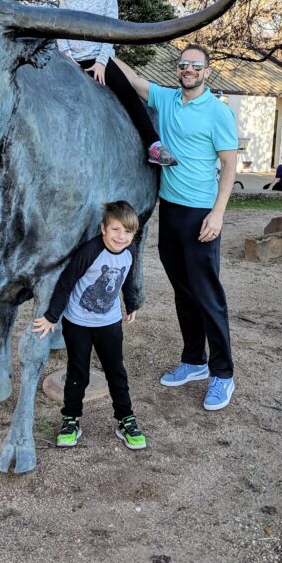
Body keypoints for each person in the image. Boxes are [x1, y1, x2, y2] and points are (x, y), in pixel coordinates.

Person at [116, 44, 239, 411]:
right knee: (183, 292)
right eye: (184, 64)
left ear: (207, 72)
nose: (188, 69)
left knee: (207, 295)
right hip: (170, 210)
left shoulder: (218, 112)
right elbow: (134, 81)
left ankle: (223, 373)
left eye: (195, 65)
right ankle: (194, 361)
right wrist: (104, 52)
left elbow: (229, 168)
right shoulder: (168, 99)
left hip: (200, 214)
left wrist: (217, 215)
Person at [32, 200, 147, 450]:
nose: (121, 236)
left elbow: (128, 278)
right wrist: (52, 317)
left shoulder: (131, 250)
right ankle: (71, 419)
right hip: (79, 323)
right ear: (103, 228)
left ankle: (125, 419)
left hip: (109, 322)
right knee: (77, 373)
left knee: (116, 371)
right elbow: (66, 282)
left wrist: (132, 302)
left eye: (128, 232)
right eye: (116, 229)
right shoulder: (91, 251)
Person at [57, 0, 176, 167]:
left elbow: (110, 31)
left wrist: (102, 63)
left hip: (98, 58)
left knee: (128, 94)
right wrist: (67, 57)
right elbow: (61, 29)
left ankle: (153, 145)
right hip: (69, 59)